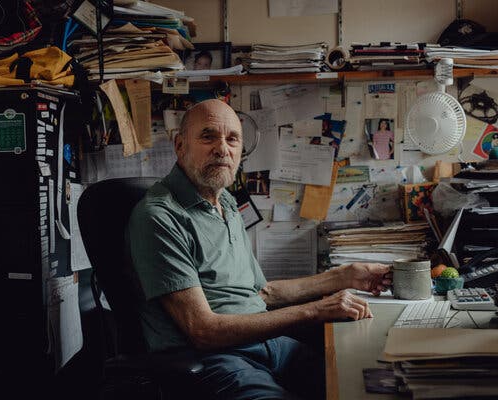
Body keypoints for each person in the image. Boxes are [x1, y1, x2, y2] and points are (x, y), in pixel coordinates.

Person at [128, 99, 392, 400]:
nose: (222, 149)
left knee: (359, 384)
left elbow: (263, 293)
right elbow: (203, 330)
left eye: (232, 139)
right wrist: (315, 310)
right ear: (179, 145)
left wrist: (346, 276)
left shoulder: (224, 202)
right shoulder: (159, 216)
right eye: (208, 136)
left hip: (267, 344)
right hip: (215, 358)